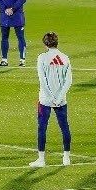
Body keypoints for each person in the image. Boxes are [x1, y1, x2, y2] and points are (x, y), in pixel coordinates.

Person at [30, 32, 73, 168]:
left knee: (42, 128)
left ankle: (41, 159)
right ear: (57, 42)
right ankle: (66, 157)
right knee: (64, 127)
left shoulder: (42, 57)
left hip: (45, 99)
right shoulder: (65, 57)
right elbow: (69, 80)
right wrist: (59, 97)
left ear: (45, 43)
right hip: (61, 100)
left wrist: (51, 97)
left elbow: (42, 79)